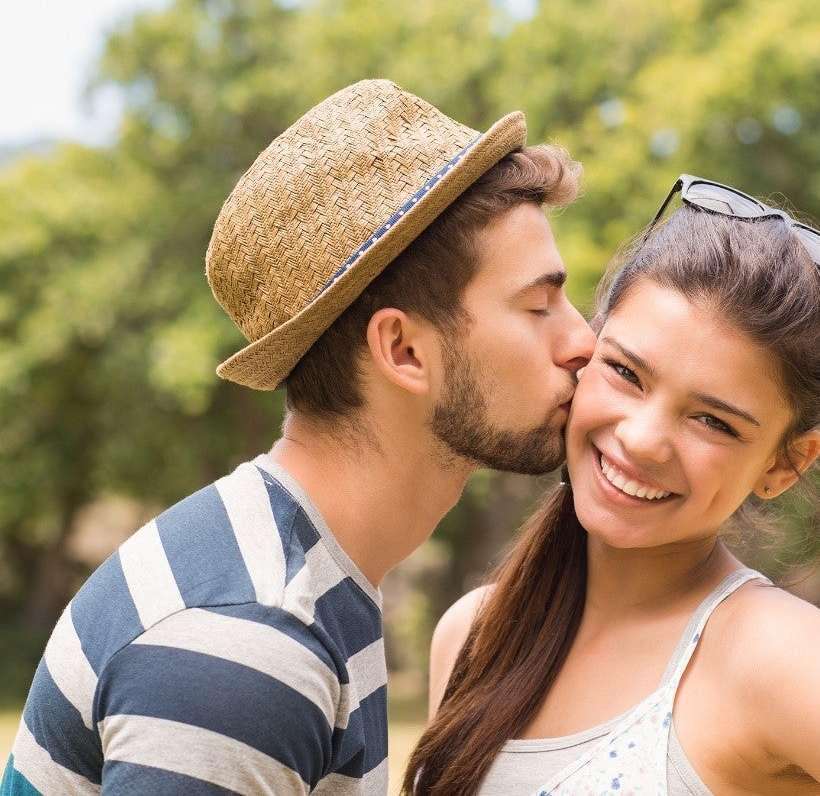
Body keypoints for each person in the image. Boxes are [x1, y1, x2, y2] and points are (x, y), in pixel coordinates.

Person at [1, 79, 595, 795]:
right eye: (538, 305)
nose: (583, 341)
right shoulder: (249, 644)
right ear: (403, 350)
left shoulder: (309, 578)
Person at [408, 176, 820, 795]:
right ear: (587, 350)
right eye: (626, 372)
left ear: (783, 465)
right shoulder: (473, 634)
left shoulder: (771, 658)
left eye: (712, 421)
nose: (643, 439)